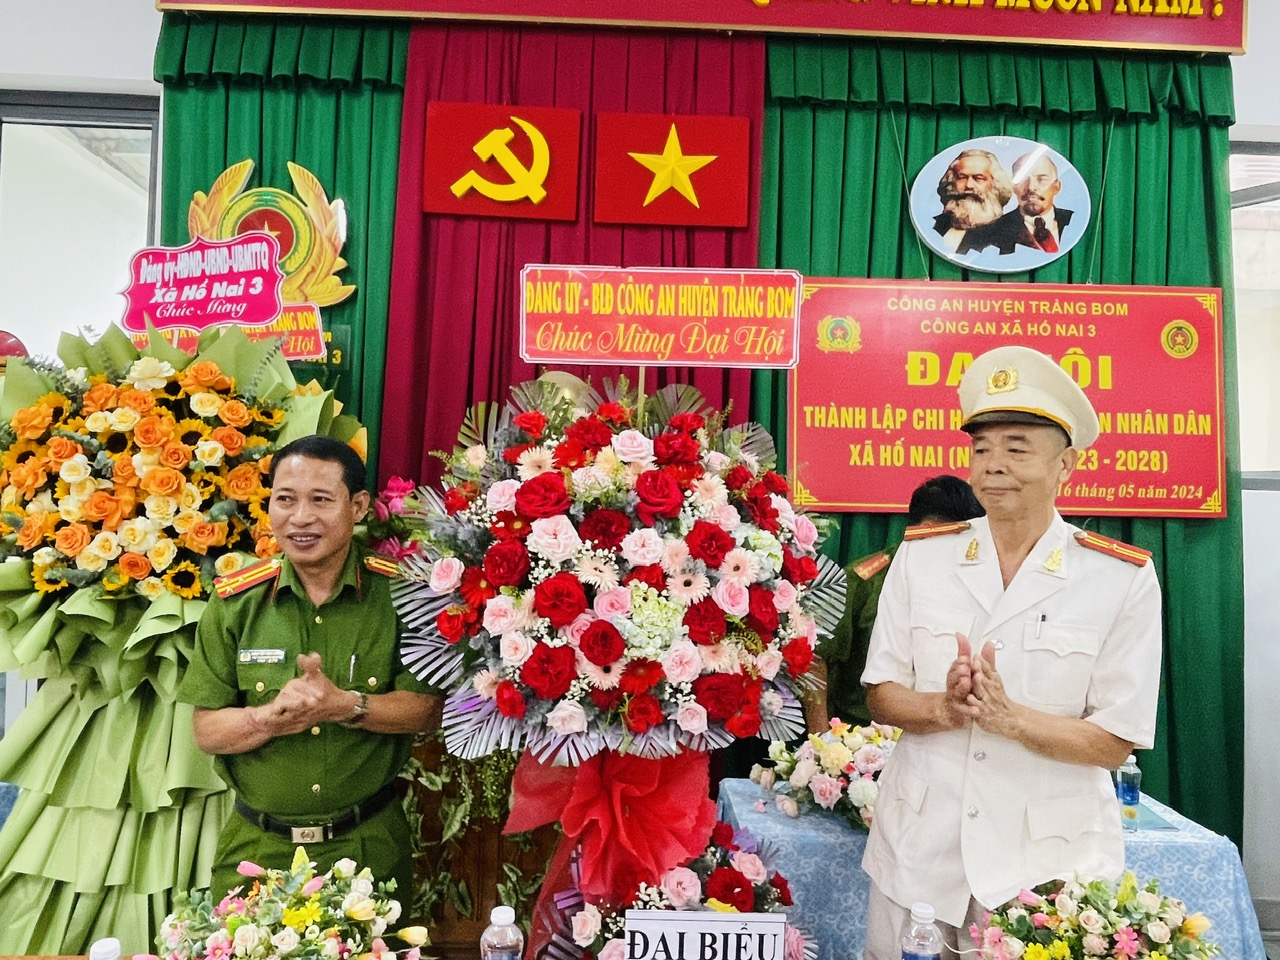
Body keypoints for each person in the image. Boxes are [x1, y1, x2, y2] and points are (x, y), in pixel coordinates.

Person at [860, 346, 1162, 960]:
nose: (993, 464)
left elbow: (1114, 741)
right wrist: (942, 709)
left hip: (1043, 872)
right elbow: (881, 693)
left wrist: (1010, 719)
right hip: (920, 854)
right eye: (982, 449)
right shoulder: (922, 556)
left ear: (1066, 464)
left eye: (1017, 448)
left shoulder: (1118, 578)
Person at [178, 435, 440, 900]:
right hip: (258, 851)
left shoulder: (402, 596)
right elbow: (208, 731)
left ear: (358, 507)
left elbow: (426, 711)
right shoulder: (235, 603)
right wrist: (268, 718)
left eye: (320, 500)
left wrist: (346, 705)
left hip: (368, 847)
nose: (300, 518)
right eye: (285, 499)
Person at [808, 476, 984, 731]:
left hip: (949, 731)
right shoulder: (862, 581)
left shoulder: (976, 579)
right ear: (927, 529)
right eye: (955, 538)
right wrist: (822, 740)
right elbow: (814, 657)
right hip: (862, 736)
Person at [964, 151, 1074, 256]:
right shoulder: (985, 234)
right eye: (1022, 179)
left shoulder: (1075, 221)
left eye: (1042, 179)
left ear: (1056, 187)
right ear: (1013, 187)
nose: (1031, 187)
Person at [931, 149, 1015, 254]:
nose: (969, 185)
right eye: (962, 177)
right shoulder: (934, 225)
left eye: (979, 178)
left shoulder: (1008, 234)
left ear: (995, 184)